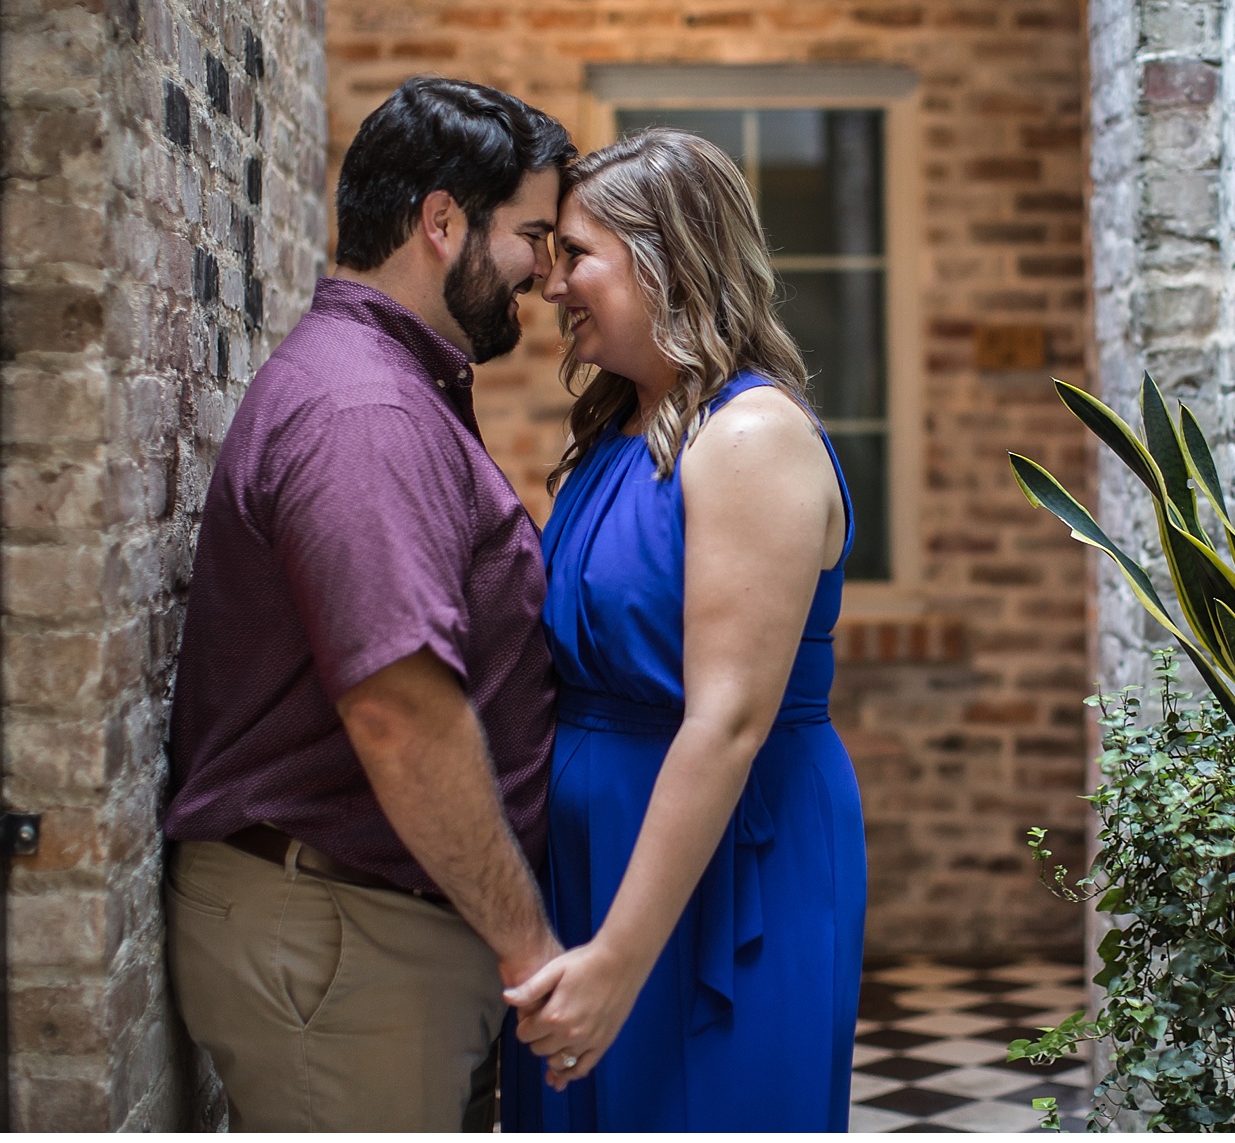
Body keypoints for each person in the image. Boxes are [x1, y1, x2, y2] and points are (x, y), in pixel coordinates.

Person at [160, 77, 574, 1131]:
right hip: (348, 939)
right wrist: (529, 948)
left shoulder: (387, 383)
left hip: (364, 930)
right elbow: (400, 709)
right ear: (443, 222)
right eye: (532, 233)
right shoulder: (367, 410)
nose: (546, 268)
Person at [500, 130, 869, 1131]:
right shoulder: (619, 430)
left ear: (665, 260)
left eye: (577, 254)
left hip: (720, 871)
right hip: (587, 858)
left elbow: (727, 722)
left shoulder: (750, 436)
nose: (551, 281)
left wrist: (619, 957)